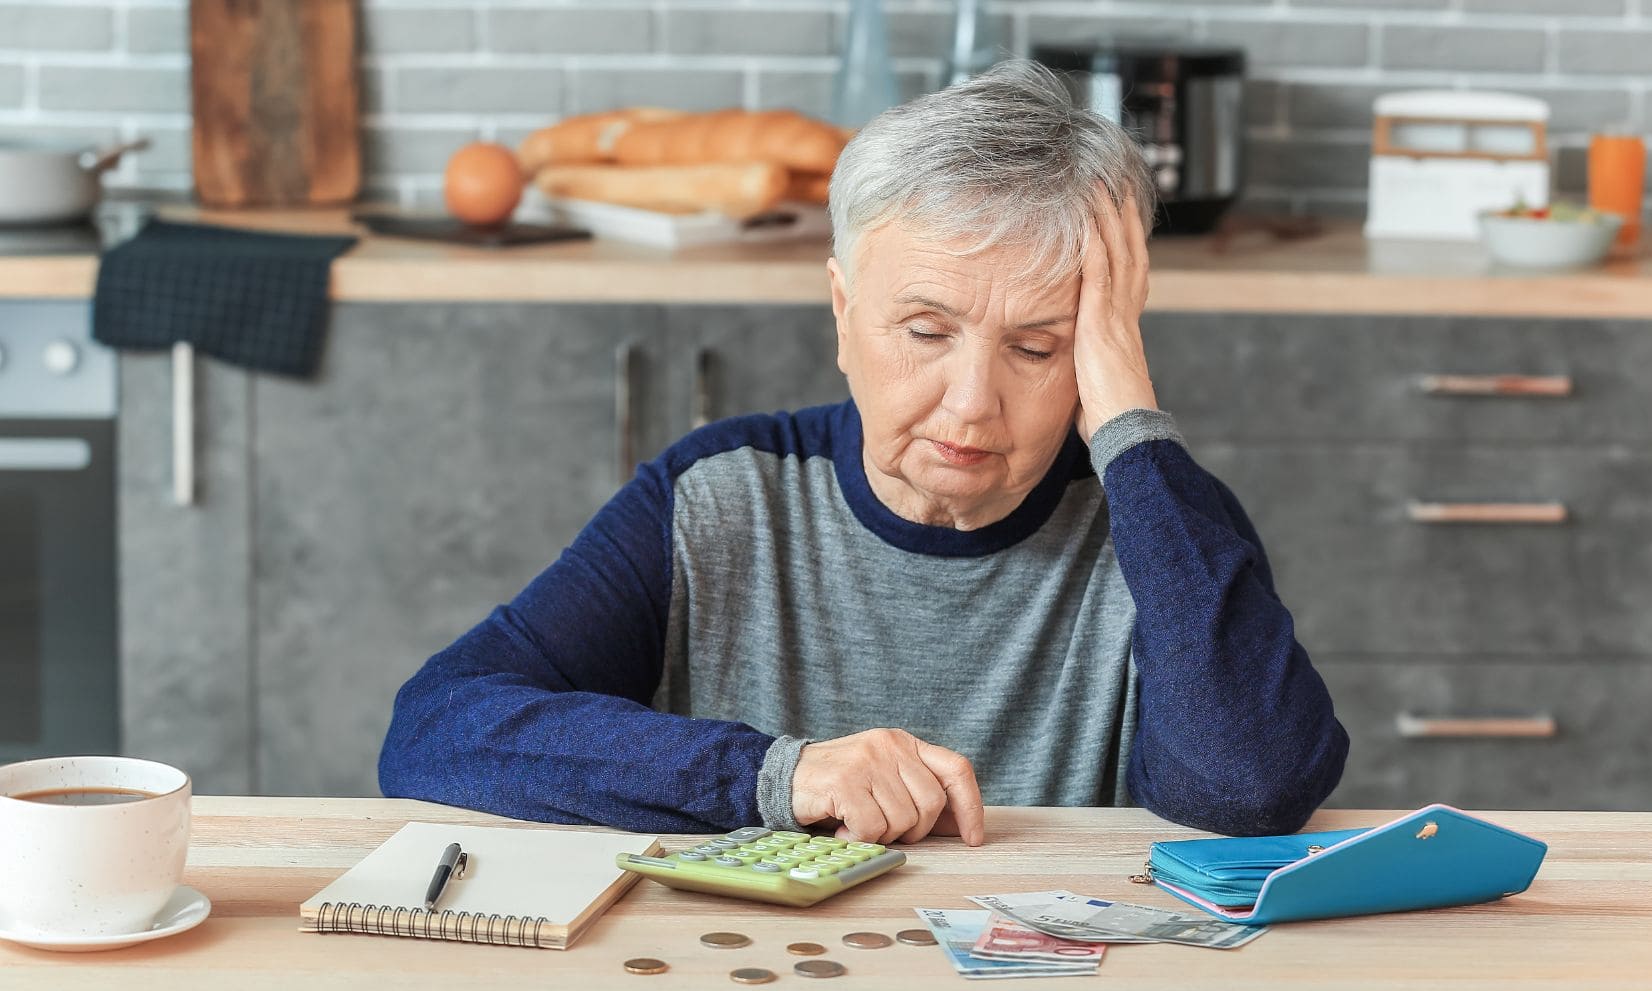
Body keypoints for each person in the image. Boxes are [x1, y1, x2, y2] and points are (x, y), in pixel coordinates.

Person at [379, 60, 1348, 846]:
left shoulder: (1158, 521)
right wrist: (779, 774)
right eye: (926, 332)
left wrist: (1129, 420)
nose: (972, 405)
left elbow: (1250, 788)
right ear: (844, 312)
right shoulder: (721, 494)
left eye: (1039, 347)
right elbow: (435, 730)